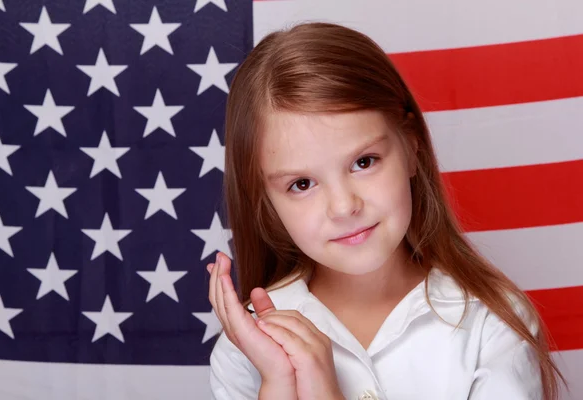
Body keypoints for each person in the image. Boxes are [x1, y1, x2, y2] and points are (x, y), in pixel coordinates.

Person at [206, 22, 565, 400]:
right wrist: (278, 384)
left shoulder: (490, 322)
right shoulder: (246, 349)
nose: (344, 206)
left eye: (364, 162)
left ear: (411, 147)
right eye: (302, 184)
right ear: (266, 200)